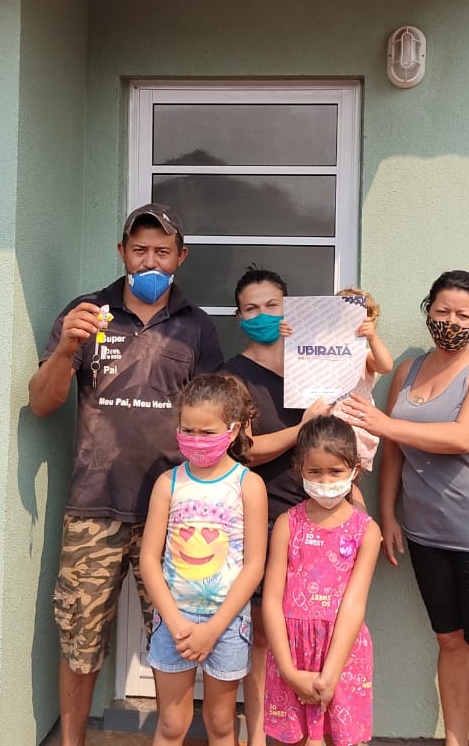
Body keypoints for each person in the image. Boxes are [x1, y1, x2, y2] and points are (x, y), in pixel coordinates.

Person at [27, 204, 223, 746]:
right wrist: (68, 346)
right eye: (140, 250)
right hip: (94, 504)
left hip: (174, 511)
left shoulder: (196, 326)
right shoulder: (86, 314)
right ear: (122, 253)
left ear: (180, 257)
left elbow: (215, 417)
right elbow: (42, 403)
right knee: (79, 636)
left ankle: (170, 738)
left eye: (163, 251)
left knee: (171, 636)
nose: (150, 261)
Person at [338, 270, 469, 746]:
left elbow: (461, 437)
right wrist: (389, 512)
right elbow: (393, 449)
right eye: (441, 311)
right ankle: (455, 741)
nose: (450, 321)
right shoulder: (408, 370)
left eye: (463, 314)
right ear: (428, 313)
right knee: (449, 641)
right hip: (424, 531)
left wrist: (383, 423)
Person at [220, 267, 330, 746]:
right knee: (263, 635)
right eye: (251, 307)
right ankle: (258, 736)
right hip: (262, 517)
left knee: (312, 632)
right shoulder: (232, 376)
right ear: (238, 316)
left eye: (272, 305)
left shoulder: (317, 366)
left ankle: (307, 733)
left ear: (290, 311)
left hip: (320, 515)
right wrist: (302, 429)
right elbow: (243, 449)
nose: (262, 315)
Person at [140, 374, 269, 746]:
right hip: (172, 622)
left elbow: (254, 564)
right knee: (170, 725)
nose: (196, 440)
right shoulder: (168, 483)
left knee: (221, 724)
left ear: (234, 429)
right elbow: (149, 559)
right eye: (187, 430)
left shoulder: (248, 485)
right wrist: (176, 623)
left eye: (208, 432)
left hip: (227, 627)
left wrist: (214, 628)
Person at [263, 415, 382, 746]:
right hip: (291, 652)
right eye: (315, 472)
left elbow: (355, 604)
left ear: (355, 470)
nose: (325, 480)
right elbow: (271, 600)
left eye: (335, 471)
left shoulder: (367, 531)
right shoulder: (288, 524)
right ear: (300, 468)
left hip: (342, 656)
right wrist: (288, 670)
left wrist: (330, 675)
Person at [333, 286, 394, 472]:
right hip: (325, 426)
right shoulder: (321, 353)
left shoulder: (365, 355)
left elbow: (385, 366)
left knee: (349, 479)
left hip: (355, 427)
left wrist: (373, 337)